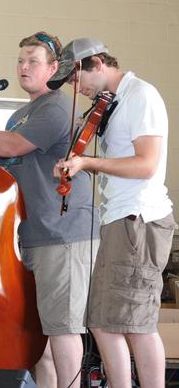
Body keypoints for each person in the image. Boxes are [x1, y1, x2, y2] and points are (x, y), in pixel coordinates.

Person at [0, 32, 99, 388]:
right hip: (29, 237)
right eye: (20, 60)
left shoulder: (56, 106)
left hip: (62, 235)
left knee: (62, 330)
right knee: (39, 341)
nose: (24, 67)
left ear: (53, 68)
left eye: (33, 61)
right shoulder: (20, 114)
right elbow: (2, 168)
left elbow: (14, 146)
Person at [51, 38, 176, 388]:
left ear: (95, 64)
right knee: (102, 322)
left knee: (137, 325)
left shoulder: (141, 95)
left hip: (139, 220)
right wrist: (82, 165)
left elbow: (147, 164)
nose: (78, 88)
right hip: (119, 220)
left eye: (77, 80)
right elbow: (121, 162)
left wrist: (88, 161)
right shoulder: (115, 103)